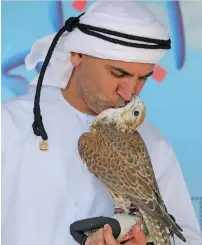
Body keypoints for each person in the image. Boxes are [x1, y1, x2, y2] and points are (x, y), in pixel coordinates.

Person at [1, 1, 202, 245]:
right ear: (77, 55)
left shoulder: (153, 143)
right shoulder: (9, 126)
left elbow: (185, 238)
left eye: (143, 79)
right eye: (118, 73)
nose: (129, 93)